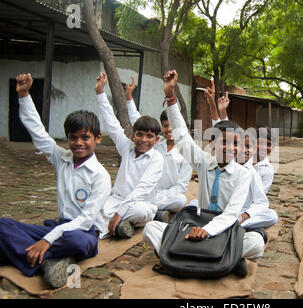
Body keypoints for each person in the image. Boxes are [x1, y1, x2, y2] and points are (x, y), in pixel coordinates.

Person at [143, 70, 266, 272]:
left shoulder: (243, 174)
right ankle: (227, 259)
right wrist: (171, 97)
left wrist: (206, 231)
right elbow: (182, 136)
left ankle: (183, 256)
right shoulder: (203, 162)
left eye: (236, 144)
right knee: (151, 228)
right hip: (196, 224)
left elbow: (232, 213)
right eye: (224, 141)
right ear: (212, 143)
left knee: (256, 242)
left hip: (224, 228)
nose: (230, 148)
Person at [0, 73, 111, 288]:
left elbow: (86, 221)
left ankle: (30, 254)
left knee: (76, 242)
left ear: (97, 138)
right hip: (59, 227)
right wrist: (24, 95)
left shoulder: (100, 175)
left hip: (83, 233)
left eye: (85, 137)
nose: (78, 143)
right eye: (73, 137)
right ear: (67, 138)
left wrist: (47, 240)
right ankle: (48, 262)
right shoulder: (62, 158)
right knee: (3, 225)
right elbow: (38, 132)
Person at [95, 72, 163, 239]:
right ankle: (122, 225)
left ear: (157, 140)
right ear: (133, 135)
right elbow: (112, 124)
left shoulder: (157, 159)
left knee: (142, 211)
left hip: (139, 204)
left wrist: (120, 213)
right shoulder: (127, 147)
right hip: (116, 200)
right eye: (139, 134)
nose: (143, 140)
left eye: (149, 136)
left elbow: (142, 189)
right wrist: (100, 92)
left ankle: (120, 222)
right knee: (92, 206)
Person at [204, 86, 278, 230]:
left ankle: (234, 224)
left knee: (271, 215)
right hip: (222, 205)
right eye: (240, 145)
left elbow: (259, 201)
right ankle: (228, 224)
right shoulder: (232, 160)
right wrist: (217, 107)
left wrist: (245, 215)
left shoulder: (254, 172)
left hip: (241, 210)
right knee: (195, 203)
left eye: (249, 146)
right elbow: (224, 129)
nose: (244, 150)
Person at [124, 77, 192, 222]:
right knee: (133, 195)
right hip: (148, 191)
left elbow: (181, 186)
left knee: (180, 200)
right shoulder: (156, 144)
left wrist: (163, 196)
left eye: (172, 125)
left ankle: (151, 210)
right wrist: (129, 98)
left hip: (167, 196)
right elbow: (137, 120)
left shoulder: (185, 152)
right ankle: (157, 214)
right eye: (166, 126)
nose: (169, 129)